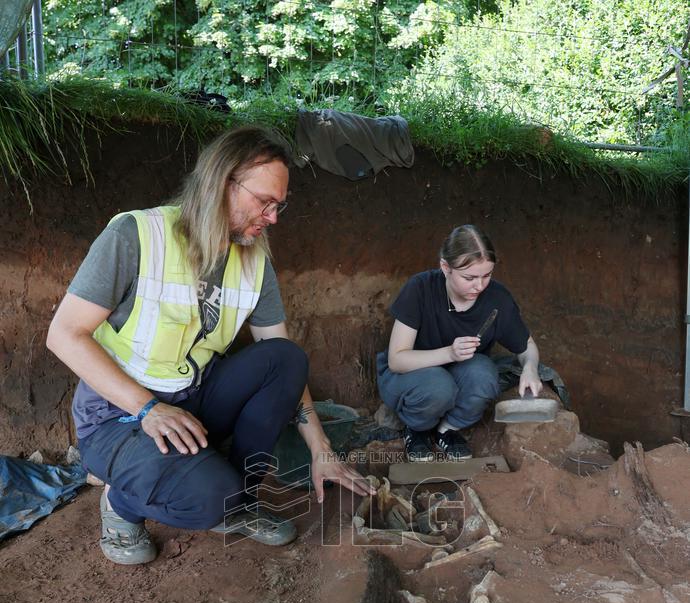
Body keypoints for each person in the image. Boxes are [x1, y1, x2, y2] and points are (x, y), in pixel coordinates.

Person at [47, 125, 372, 565]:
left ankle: (238, 502)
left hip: (193, 401)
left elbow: (283, 364)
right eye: (265, 202)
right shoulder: (137, 235)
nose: (273, 218)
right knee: (209, 496)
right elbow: (64, 334)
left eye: (280, 206)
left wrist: (321, 449)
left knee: (285, 358)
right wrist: (147, 408)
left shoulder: (255, 262)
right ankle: (121, 503)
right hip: (117, 416)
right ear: (222, 183)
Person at [377, 224, 542, 462]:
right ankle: (417, 428)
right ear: (446, 267)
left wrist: (530, 368)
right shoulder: (420, 289)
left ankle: (448, 429)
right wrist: (450, 353)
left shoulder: (497, 298)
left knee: (485, 375)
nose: (479, 286)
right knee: (438, 386)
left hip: (458, 375)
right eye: (469, 277)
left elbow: (527, 346)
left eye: (487, 275)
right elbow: (397, 360)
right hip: (409, 377)